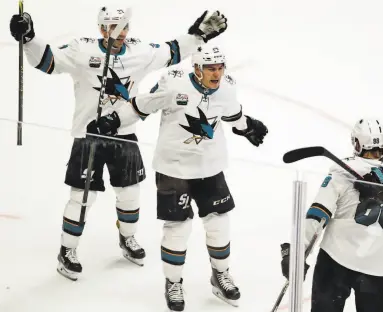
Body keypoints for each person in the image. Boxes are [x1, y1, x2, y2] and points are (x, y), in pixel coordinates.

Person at [9, 6, 228, 281]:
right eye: (114, 27)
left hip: (124, 133)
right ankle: (67, 251)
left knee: (130, 194)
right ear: (101, 29)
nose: (122, 33)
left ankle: (128, 239)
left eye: (125, 27)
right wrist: (29, 37)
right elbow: (48, 61)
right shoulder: (82, 50)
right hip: (88, 136)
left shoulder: (139, 52)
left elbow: (171, 52)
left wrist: (197, 36)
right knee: (81, 198)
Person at [86, 45, 268, 311]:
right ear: (197, 68)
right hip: (174, 168)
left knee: (219, 224)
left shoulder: (227, 87)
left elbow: (233, 114)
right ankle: (173, 282)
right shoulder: (173, 84)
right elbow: (140, 106)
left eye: (220, 68)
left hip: (210, 167)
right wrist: (112, 120)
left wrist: (247, 127)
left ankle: (220, 275)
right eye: (210, 68)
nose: (216, 74)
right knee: (177, 229)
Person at [279, 118, 383, 312]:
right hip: (381, 269)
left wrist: (297, 252)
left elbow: (318, 214)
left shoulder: (343, 171)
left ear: (357, 143)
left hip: (337, 260)